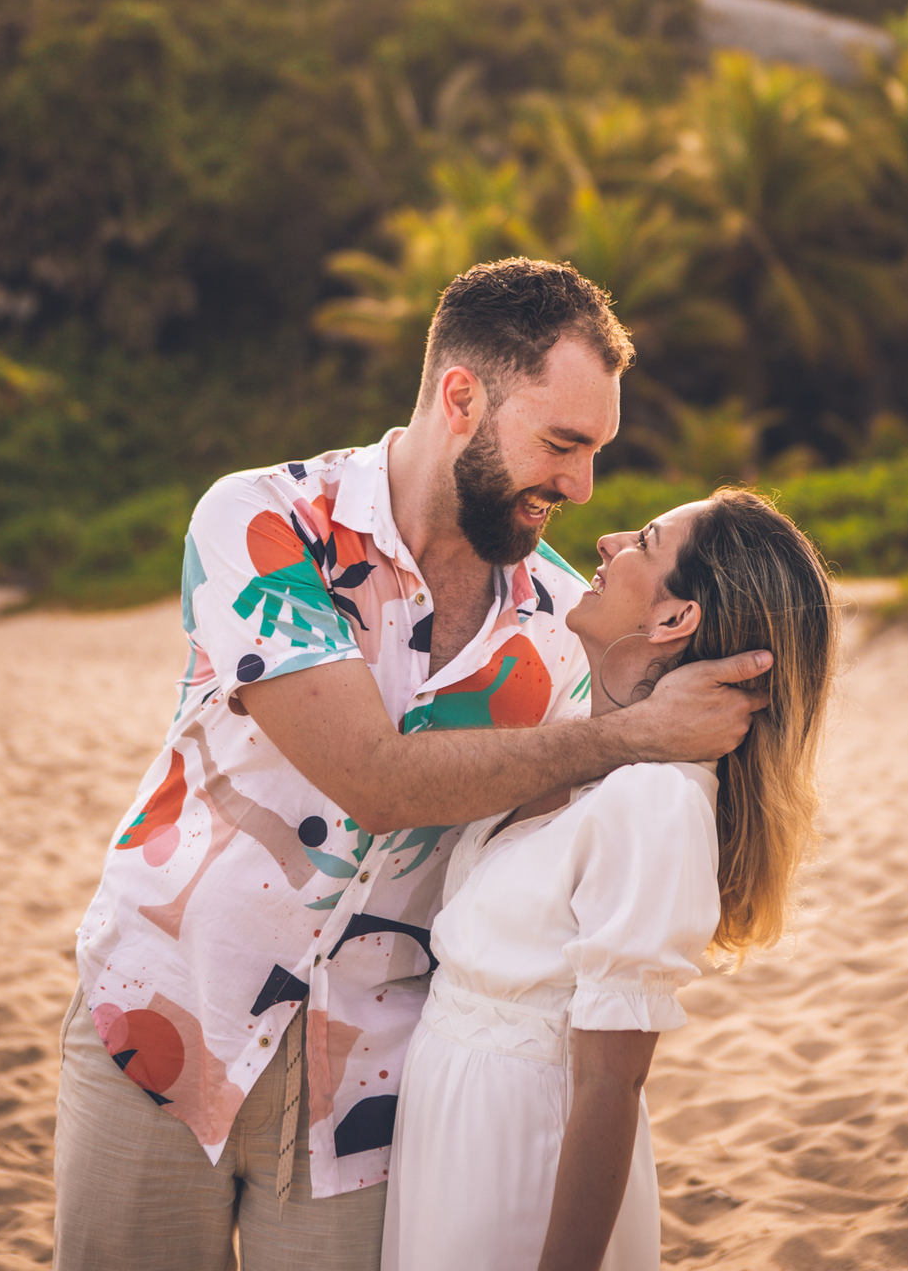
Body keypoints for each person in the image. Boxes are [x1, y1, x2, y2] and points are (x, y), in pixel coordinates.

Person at [53, 259, 771, 1271]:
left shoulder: (569, 628)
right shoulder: (263, 524)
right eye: (562, 443)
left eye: (596, 450)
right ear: (461, 397)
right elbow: (375, 780)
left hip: (374, 1093)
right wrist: (632, 736)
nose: (581, 486)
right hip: (164, 1027)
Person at [380, 487, 838, 1271]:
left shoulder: (654, 799)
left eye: (645, 542)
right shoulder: (584, 755)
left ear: (673, 621)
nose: (607, 541)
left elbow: (609, 1086)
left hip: (519, 1165)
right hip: (449, 1145)